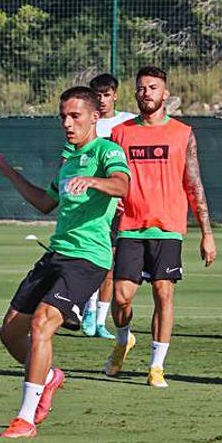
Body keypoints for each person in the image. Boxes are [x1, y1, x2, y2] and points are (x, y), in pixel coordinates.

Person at [0, 87, 130, 438]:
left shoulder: (107, 151)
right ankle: (49, 378)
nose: (67, 123)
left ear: (95, 117)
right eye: (63, 116)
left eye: (75, 116)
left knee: (43, 324)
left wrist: (94, 181)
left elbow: (122, 185)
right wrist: (7, 170)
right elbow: (45, 202)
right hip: (57, 254)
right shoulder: (68, 158)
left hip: (88, 258)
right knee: (10, 333)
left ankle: (25, 418)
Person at [104, 66, 217, 387]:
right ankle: (123, 339)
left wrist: (207, 234)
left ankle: (156, 367)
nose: (146, 93)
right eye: (141, 88)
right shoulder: (121, 133)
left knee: (163, 293)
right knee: (122, 297)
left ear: (165, 94)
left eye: (152, 88)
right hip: (129, 227)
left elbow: (194, 185)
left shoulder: (182, 133)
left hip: (167, 228)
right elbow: (111, 177)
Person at [80, 73, 138, 339]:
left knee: (110, 262)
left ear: (115, 95)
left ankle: (100, 320)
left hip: (119, 204)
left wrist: (122, 198)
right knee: (89, 258)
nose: (102, 100)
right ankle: (88, 311)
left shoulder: (127, 123)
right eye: (98, 95)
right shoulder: (85, 123)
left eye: (106, 94)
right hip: (92, 203)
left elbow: (130, 168)